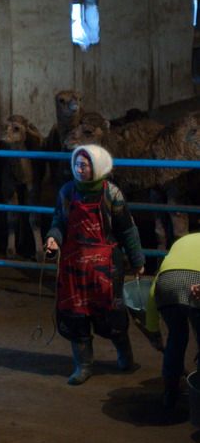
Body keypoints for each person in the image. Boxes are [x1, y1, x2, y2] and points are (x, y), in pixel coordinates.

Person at [44, 144, 145, 385]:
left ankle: (125, 355)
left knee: (112, 313)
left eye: (85, 165)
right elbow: (59, 221)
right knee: (75, 314)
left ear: (97, 167)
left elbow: (127, 229)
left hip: (106, 266)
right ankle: (83, 365)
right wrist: (53, 239)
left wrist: (137, 260)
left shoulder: (112, 194)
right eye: (77, 164)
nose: (79, 169)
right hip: (74, 265)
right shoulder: (67, 192)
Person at [144, 233, 200, 409]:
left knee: (176, 338)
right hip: (196, 283)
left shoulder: (181, 242)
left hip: (167, 283)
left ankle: (170, 393)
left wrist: (153, 330)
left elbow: (152, 293)